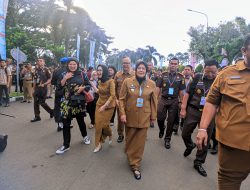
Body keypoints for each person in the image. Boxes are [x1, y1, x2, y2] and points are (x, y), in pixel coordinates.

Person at [197, 35, 250, 189]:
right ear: (244, 51)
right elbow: (212, 101)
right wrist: (202, 129)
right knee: (229, 183)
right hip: (233, 145)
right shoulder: (226, 74)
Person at [119, 61, 157, 180]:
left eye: (143, 68)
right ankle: (130, 154)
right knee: (130, 139)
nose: (141, 70)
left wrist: (153, 117)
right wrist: (122, 113)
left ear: (146, 70)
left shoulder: (151, 83)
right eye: (139, 68)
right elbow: (121, 99)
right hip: (130, 115)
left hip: (144, 116)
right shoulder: (127, 81)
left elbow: (154, 101)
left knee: (140, 142)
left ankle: (135, 165)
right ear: (135, 70)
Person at [180, 60, 218, 177]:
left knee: (205, 139)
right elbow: (187, 94)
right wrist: (183, 108)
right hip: (193, 109)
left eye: (213, 72)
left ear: (217, 70)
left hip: (209, 113)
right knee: (185, 133)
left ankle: (198, 162)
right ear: (203, 70)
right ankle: (190, 145)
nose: (210, 74)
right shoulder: (197, 77)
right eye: (208, 71)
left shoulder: (220, 80)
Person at [56, 58, 91, 154]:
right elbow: (59, 87)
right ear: (67, 65)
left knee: (81, 121)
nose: (72, 66)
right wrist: (65, 78)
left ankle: (85, 136)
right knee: (66, 124)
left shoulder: (82, 74)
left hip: (79, 102)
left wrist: (83, 88)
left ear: (77, 65)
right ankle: (66, 145)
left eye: (74, 64)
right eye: (70, 64)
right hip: (67, 103)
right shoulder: (63, 74)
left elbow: (88, 85)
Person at [156, 57, 186, 149]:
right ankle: (162, 129)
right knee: (160, 118)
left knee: (171, 121)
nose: (173, 65)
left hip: (174, 100)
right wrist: (156, 100)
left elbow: (181, 91)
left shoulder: (181, 77)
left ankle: (167, 139)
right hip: (163, 99)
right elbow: (158, 88)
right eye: (171, 63)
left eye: (175, 64)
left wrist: (181, 102)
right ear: (169, 64)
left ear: (178, 65)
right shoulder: (163, 75)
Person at [93, 64, 116, 153]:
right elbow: (99, 91)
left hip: (109, 106)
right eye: (98, 70)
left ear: (105, 71)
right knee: (98, 125)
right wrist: (92, 85)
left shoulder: (111, 82)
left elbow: (112, 95)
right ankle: (98, 144)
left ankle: (109, 134)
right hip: (99, 104)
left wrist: (104, 106)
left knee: (104, 125)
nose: (98, 72)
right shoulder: (99, 81)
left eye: (100, 70)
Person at [114, 56, 135, 143]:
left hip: (131, 101)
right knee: (120, 119)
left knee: (131, 119)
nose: (125, 65)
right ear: (122, 64)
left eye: (127, 63)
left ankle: (130, 136)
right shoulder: (118, 74)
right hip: (120, 101)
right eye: (124, 63)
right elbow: (114, 89)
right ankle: (120, 134)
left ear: (130, 64)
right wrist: (116, 99)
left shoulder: (135, 74)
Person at [30, 58, 54, 122]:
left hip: (43, 88)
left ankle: (51, 111)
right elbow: (35, 80)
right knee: (35, 103)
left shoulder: (46, 69)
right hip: (37, 88)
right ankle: (37, 116)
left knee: (42, 102)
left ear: (44, 62)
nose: (39, 62)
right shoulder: (35, 70)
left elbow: (50, 79)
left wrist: (45, 84)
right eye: (38, 61)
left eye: (41, 61)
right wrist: (33, 89)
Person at [51, 57, 68, 131]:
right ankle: (68, 123)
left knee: (58, 108)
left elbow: (52, 82)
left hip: (58, 92)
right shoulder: (70, 71)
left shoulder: (56, 71)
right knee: (67, 106)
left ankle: (60, 124)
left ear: (61, 63)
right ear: (67, 63)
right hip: (68, 92)